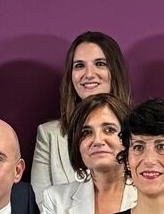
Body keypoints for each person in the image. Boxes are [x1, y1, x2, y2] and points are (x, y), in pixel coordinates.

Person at [33, 31, 130, 190]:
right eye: (79, 66)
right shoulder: (49, 135)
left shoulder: (142, 132)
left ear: (115, 72)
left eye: (100, 64)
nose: (89, 74)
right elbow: (42, 205)